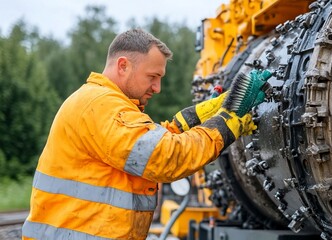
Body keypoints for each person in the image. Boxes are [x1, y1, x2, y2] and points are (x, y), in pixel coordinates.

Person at [21, 28, 262, 240]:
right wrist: (226, 124)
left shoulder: (98, 102)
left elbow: (147, 143)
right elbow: (166, 156)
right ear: (123, 65)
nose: (157, 88)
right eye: (152, 77)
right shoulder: (103, 106)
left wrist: (197, 116)